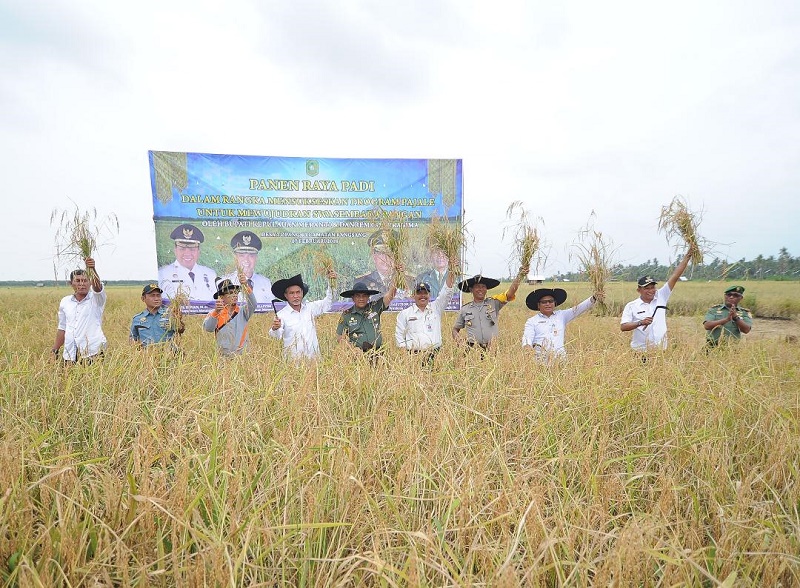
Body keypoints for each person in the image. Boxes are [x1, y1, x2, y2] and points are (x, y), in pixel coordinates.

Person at [620, 250, 692, 351]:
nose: (651, 291)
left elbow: (675, 276)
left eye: (653, 287)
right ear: (639, 290)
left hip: (661, 351)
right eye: (647, 288)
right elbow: (623, 327)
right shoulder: (631, 306)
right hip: (640, 352)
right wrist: (640, 322)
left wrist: (688, 256)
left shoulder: (661, 296)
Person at [452, 266, 527, 351]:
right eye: (477, 286)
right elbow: (455, 329)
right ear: (471, 289)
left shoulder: (494, 302)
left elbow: (510, 294)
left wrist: (519, 276)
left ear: (486, 289)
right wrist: (459, 340)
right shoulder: (465, 309)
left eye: (483, 286)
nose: (481, 289)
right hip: (472, 350)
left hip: (492, 348)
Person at [269, 270, 337, 360]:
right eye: (292, 293)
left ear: (302, 293)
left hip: (314, 362)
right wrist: (275, 328)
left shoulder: (310, 308)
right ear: (286, 295)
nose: (296, 296)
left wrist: (331, 282)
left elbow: (329, 302)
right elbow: (277, 336)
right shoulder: (281, 315)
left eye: (298, 292)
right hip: (293, 364)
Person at [522, 288, 602, 363]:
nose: (548, 304)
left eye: (551, 301)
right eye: (544, 302)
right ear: (538, 305)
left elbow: (578, 309)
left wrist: (594, 298)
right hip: (541, 361)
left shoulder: (561, 315)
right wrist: (527, 347)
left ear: (555, 303)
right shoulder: (532, 321)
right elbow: (527, 337)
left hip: (561, 361)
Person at [395, 269, 457, 366]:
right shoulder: (405, 314)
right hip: (413, 357)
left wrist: (452, 271)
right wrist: (405, 358)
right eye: (419, 293)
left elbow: (446, 292)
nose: (422, 296)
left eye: (425, 293)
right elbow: (399, 336)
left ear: (429, 295)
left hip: (435, 356)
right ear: (413, 295)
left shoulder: (436, 308)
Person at [52, 258, 106, 363]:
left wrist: (92, 269)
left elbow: (98, 289)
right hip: (69, 353)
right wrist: (55, 349)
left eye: (85, 280)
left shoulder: (96, 299)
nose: (82, 284)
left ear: (90, 283)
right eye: (78, 281)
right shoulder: (65, 301)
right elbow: (62, 328)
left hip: (93, 352)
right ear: (71, 283)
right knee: (67, 378)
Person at [337, 276, 398, 354]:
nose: (361, 299)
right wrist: (352, 349)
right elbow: (340, 337)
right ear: (353, 298)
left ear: (368, 297)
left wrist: (397, 275)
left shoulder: (375, 307)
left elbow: (390, 295)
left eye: (364, 296)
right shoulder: (347, 315)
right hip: (358, 356)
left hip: (378, 353)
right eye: (358, 296)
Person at [202, 270, 257, 357]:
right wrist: (216, 312)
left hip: (243, 359)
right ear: (222, 297)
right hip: (224, 359)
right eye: (231, 293)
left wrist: (246, 285)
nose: (235, 295)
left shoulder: (243, 311)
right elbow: (208, 328)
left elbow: (253, 304)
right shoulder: (215, 313)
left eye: (236, 292)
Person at [158, 223, 217, 301]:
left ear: (199, 251)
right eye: (182, 249)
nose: (187, 253)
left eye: (192, 249)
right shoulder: (163, 274)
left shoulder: (210, 274)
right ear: (175, 250)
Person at [354, 229, 414, 301]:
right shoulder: (361, 282)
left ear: (398, 256)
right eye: (381, 253)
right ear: (374, 256)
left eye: (390, 254)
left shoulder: (410, 281)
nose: (386, 258)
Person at [221, 230, 274, 305]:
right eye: (242, 255)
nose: (246, 260)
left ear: (256, 258)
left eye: (251, 255)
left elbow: (271, 311)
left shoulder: (266, 283)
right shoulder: (224, 283)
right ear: (235, 258)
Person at [130, 283, 185, 348]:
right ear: (143, 299)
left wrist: (179, 320)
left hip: (169, 354)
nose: (156, 299)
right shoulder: (137, 319)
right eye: (152, 296)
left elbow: (180, 331)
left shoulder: (170, 314)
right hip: (148, 355)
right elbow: (133, 339)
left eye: (158, 295)